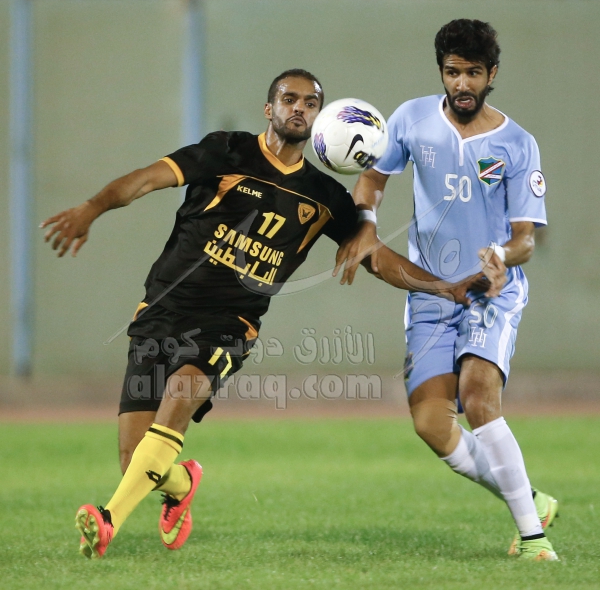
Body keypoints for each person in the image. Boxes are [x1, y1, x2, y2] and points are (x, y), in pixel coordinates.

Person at [40, 69, 493, 559]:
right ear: (269, 109)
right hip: (162, 312)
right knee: (135, 460)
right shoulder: (226, 151)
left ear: (319, 117)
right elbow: (146, 180)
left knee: (179, 395)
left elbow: (376, 258)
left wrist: (445, 287)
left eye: (310, 103)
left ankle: (107, 521)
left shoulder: (325, 196)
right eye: (289, 99)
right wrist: (92, 207)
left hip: (229, 325)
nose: (299, 108)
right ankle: (180, 484)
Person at [334, 21, 559, 561]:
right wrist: (366, 221)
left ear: (491, 74)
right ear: (441, 71)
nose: (462, 83)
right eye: (453, 72)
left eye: (473, 73)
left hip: (489, 291)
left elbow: (526, 240)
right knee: (431, 424)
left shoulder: (517, 144)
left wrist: (500, 255)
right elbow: (373, 181)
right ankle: (530, 499)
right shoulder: (411, 119)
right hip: (432, 293)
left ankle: (534, 539)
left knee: (479, 399)